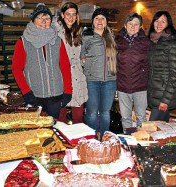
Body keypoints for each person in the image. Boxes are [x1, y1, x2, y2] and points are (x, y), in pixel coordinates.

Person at [12, 3, 72, 118]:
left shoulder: (57, 40)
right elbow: (16, 69)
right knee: (36, 130)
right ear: (33, 20)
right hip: (34, 96)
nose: (44, 21)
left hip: (55, 95)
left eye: (47, 18)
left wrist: (68, 91)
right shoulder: (23, 41)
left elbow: (65, 66)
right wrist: (26, 91)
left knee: (52, 128)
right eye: (40, 17)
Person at [81, 8, 117, 136]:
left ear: (106, 22)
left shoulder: (112, 37)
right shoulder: (86, 37)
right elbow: (80, 56)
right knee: (91, 112)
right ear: (93, 22)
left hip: (110, 81)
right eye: (97, 18)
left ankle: (104, 136)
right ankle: (92, 137)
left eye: (103, 18)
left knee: (105, 112)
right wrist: (84, 63)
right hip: (92, 81)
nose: (100, 21)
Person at [115, 13, 150, 131]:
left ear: (140, 26)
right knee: (125, 117)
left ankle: (141, 141)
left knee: (141, 117)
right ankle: (128, 140)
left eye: (136, 24)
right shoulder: (117, 40)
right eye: (130, 23)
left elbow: (150, 63)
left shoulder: (146, 41)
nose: (133, 26)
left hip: (140, 86)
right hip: (123, 85)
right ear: (125, 25)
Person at [55, 2, 88, 124]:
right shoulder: (55, 32)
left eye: (74, 14)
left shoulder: (80, 32)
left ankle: (78, 141)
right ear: (62, 15)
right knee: (60, 115)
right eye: (68, 14)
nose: (71, 17)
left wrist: (84, 61)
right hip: (62, 77)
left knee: (79, 116)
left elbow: (83, 55)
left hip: (78, 77)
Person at [147, 11, 176, 122]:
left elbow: (175, 74)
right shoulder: (151, 42)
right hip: (153, 95)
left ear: (168, 24)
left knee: (157, 131)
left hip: (163, 97)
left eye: (163, 21)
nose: (159, 24)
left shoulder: (172, 43)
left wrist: (165, 100)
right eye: (157, 21)